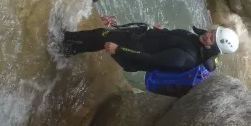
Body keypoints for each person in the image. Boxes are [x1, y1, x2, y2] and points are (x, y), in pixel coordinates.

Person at [63, 22, 239, 77]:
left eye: (212, 38)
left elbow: (150, 60)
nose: (208, 34)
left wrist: (120, 50)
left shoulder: (186, 57)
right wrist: (163, 32)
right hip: (140, 39)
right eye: (212, 32)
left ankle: (65, 45)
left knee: (102, 36)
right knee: (101, 35)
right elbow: (175, 39)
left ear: (213, 47)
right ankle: (70, 45)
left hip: (135, 53)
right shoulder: (196, 40)